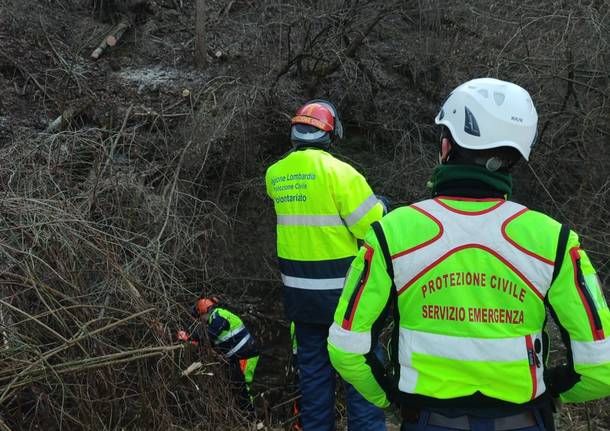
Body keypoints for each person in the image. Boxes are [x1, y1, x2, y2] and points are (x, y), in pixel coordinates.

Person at [328, 78, 610, 431]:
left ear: (446, 147)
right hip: (524, 420)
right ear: (515, 157)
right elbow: (600, 364)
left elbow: (346, 347)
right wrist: (551, 390)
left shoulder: (392, 233)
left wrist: (390, 397)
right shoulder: (555, 240)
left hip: (428, 420)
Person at [265, 100, 387, 430]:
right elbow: (374, 229)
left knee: (314, 382)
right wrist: (382, 206)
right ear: (330, 133)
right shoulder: (341, 173)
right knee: (361, 379)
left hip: (301, 300)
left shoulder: (275, 175)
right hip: (346, 301)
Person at [178, 297, 259, 411]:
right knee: (238, 388)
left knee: (244, 388)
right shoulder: (217, 317)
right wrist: (193, 340)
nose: (201, 320)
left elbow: (208, 335)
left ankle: (253, 417)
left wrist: (189, 337)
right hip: (239, 356)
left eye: (200, 317)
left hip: (245, 355)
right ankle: (247, 414)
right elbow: (209, 340)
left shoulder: (218, 315)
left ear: (203, 311)